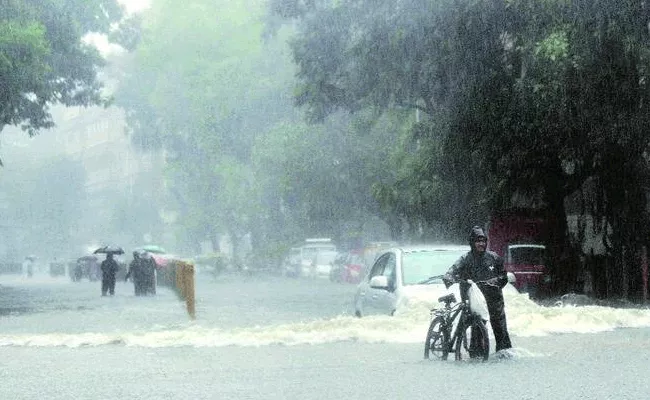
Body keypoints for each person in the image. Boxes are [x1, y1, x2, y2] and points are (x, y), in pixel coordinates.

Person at [444, 225, 513, 356]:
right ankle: (476, 355)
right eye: (478, 241)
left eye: (483, 241)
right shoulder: (465, 259)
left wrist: (494, 282)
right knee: (477, 326)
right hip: (474, 299)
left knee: (500, 328)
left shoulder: (494, 258)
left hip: (494, 299)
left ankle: (504, 353)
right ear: (472, 242)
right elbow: (453, 270)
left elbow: (503, 276)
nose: (481, 244)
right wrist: (449, 277)